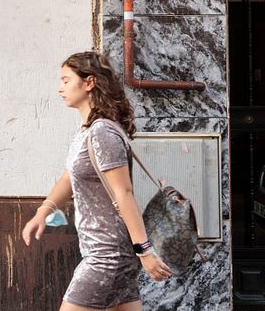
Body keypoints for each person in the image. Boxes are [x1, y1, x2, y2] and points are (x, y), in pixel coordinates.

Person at [21, 51, 172, 311]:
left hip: (107, 256)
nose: (60, 88)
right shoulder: (88, 131)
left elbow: (124, 193)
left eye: (66, 80)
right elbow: (69, 176)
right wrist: (42, 212)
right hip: (106, 254)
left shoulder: (103, 132)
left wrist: (145, 251)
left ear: (89, 82)